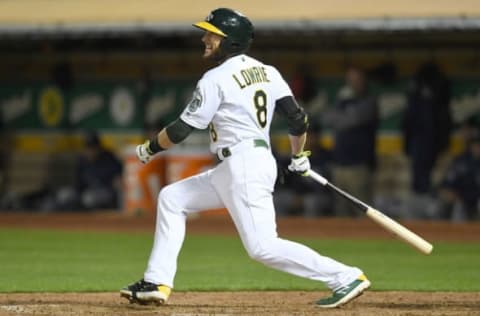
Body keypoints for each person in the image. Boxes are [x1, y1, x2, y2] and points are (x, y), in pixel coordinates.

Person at [120, 8, 370, 309]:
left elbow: (181, 129)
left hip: (244, 166)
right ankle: (156, 281)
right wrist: (298, 155)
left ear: (230, 40)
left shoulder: (215, 78)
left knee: (263, 247)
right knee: (173, 198)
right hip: (239, 165)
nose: (204, 38)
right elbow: (297, 120)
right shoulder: (268, 71)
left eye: (212, 34)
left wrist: (149, 149)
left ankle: (345, 276)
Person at [321, 66, 378, 216]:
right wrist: (342, 112)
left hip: (359, 166)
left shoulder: (369, 101)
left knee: (363, 212)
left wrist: (340, 117)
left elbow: (349, 121)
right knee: (341, 212)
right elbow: (326, 118)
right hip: (339, 165)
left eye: (357, 80)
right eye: (350, 80)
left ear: (364, 81)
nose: (353, 84)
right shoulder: (342, 101)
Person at [403, 62, 452, 195]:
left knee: (428, 180)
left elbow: (443, 117)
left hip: (432, 142)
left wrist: (442, 142)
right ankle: (421, 201)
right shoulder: (416, 88)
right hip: (420, 141)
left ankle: (426, 201)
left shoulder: (438, 85)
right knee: (418, 180)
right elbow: (409, 119)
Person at [438, 128, 480, 221]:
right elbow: (448, 181)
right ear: (471, 146)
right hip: (461, 198)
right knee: (447, 201)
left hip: (476, 198)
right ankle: (445, 230)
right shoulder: (461, 160)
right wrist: (448, 190)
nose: (478, 147)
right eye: (476, 145)